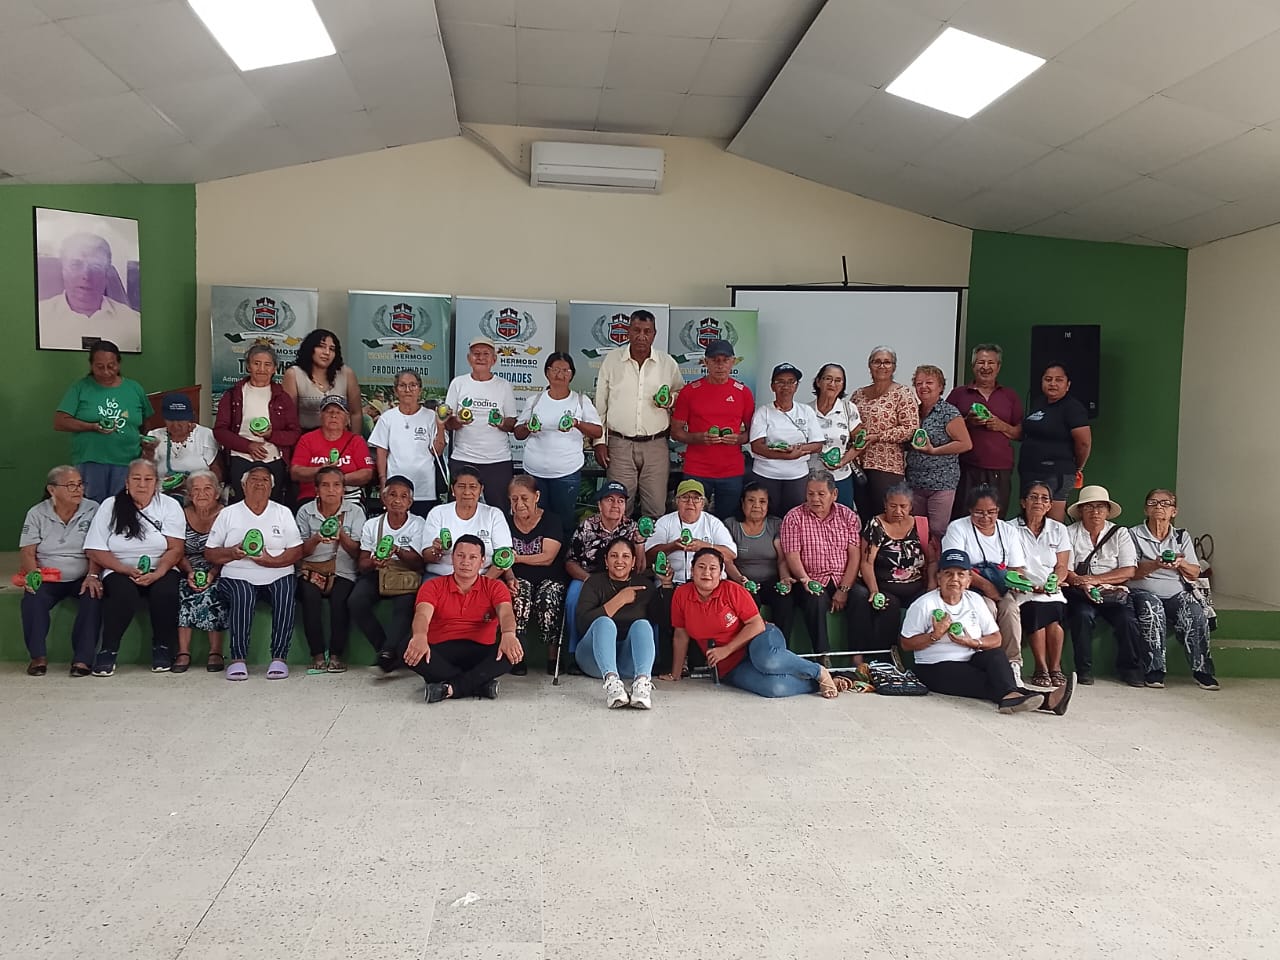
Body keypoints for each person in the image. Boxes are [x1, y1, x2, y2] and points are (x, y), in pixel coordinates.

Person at [900, 549, 1075, 715]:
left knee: (996, 655)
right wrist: (935, 635)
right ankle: (1045, 700)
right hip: (935, 665)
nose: (954, 579)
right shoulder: (924, 604)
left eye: (961, 574)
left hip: (971, 656)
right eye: (948, 573)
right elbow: (906, 643)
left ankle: (1014, 697)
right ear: (939, 578)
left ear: (969, 580)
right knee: (990, 680)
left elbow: (996, 639)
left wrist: (973, 643)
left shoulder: (975, 600)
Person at [660, 548, 849, 699]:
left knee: (768, 661)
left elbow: (756, 625)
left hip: (759, 638)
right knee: (773, 688)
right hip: (730, 665)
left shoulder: (732, 590)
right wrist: (675, 674)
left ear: (721, 573)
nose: (706, 573)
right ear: (692, 570)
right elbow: (681, 635)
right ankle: (819, 684)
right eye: (701, 567)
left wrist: (726, 649)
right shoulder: (681, 594)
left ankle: (818, 671)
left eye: (713, 568)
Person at [83, 458, 184, 676]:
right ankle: (108, 650)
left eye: (148, 479)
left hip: (161, 567)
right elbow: (95, 549)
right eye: (136, 479)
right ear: (127, 482)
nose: (142, 484)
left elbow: (176, 548)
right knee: (123, 593)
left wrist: (158, 573)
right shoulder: (110, 505)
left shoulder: (169, 505)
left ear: (156, 482)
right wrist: (124, 569)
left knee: (166, 592)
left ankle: (162, 647)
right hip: (119, 568)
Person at [204, 464, 303, 680]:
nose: (260, 483)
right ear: (243, 485)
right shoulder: (228, 513)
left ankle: (279, 658)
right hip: (237, 574)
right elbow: (210, 552)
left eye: (265, 480)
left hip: (278, 573)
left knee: (285, 592)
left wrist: (271, 561)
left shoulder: (282, 512)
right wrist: (231, 553)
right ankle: (238, 659)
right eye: (254, 479)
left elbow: (296, 550)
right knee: (243, 594)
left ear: (272, 487)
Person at [402, 535, 523, 703]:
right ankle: (478, 685)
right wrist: (420, 636)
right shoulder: (433, 585)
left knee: (514, 648)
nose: (466, 562)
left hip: (480, 651)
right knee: (406, 646)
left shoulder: (495, 586)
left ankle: (448, 688)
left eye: (473, 557)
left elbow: (506, 613)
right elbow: (422, 614)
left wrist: (509, 634)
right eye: (460, 555)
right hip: (440, 651)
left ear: (482, 561)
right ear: (452, 558)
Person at [592, 310, 684, 518]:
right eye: (636, 330)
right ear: (628, 332)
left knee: (655, 508)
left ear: (654, 334)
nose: (641, 336)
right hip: (619, 444)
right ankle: (620, 541)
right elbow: (600, 405)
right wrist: (599, 442)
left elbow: (682, 396)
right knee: (619, 508)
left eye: (647, 331)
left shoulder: (667, 363)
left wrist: (669, 400)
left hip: (656, 444)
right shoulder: (612, 361)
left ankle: (651, 541)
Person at [1127, 489, 1219, 691]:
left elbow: (1195, 572)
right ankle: (1154, 670)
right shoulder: (1132, 534)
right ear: (1145, 509)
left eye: (1165, 503)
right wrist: (1155, 564)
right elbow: (1129, 571)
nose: (1159, 506)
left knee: (1194, 611)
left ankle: (1203, 671)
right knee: (1152, 609)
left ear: (1174, 512)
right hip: (1143, 591)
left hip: (1176, 593)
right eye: (1153, 502)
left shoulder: (1181, 536)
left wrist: (1180, 563)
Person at [645, 479, 737, 674]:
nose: (690, 503)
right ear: (676, 501)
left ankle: (704, 659)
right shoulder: (665, 522)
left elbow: (731, 554)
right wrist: (672, 546)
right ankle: (671, 662)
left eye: (696, 499)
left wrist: (704, 546)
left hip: (708, 584)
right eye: (685, 498)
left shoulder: (713, 523)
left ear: (703, 503)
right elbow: (648, 555)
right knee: (666, 604)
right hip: (672, 581)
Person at [18, 465, 102, 677]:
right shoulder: (37, 513)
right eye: (71, 485)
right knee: (32, 597)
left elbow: (98, 548)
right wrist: (33, 576)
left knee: (93, 596)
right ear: (52, 489)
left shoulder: (93, 509)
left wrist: (92, 575)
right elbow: (28, 551)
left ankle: (82, 660)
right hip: (48, 575)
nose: (78, 489)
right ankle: (38, 657)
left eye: (80, 484)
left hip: (82, 575)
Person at [941, 484, 1027, 682]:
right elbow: (956, 567)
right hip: (969, 586)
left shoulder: (1008, 530)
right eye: (979, 512)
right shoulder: (958, 528)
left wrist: (1017, 582)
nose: (986, 517)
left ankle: (1013, 663)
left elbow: (1016, 568)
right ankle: (987, 660)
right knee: (987, 607)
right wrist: (987, 587)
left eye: (991, 512)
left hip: (1002, 586)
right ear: (970, 509)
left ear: (999, 510)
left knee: (1010, 608)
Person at [514, 352, 603, 539]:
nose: (560, 374)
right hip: (534, 473)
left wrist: (577, 423)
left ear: (571, 375)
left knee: (564, 521)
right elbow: (518, 433)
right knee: (534, 519)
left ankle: (562, 556)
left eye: (565, 370)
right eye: (555, 369)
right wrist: (528, 427)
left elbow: (597, 431)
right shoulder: (535, 400)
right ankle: (537, 554)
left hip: (566, 474)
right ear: (547, 372)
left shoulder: (580, 401)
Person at [54, 340, 153, 504]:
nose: (106, 372)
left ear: (119, 364)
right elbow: (60, 422)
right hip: (91, 462)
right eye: (100, 367)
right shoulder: (81, 387)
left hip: (128, 461)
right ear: (91, 365)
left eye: (111, 366)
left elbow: (146, 421)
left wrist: (146, 445)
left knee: (123, 507)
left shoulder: (134, 388)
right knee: (92, 508)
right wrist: (91, 426)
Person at [1062, 485, 1142, 687]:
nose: (1095, 512)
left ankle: (1130, 670)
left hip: (1113, 592)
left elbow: (1128, 571)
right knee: (1082, 616)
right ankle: (1084, 670)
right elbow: (1066, 570)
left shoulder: (1120, 533)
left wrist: (1095, 580)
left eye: (1100, 507)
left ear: (1107, 511)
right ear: (1080, 511)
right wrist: (1083, 584)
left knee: (1127, 620)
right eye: (1089, 507)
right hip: (1081, 593)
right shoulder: (1069, 533)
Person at [575, 536, 669, 708]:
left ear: (633, 562)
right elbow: (582, 624)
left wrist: (666, 584)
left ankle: (641, 684)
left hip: (627, 662)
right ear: (606, 560)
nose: (619, 561)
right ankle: (612, 684)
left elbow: (663, 620)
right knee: (604, 623)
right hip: (593, 659)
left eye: (625, 556)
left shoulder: (644, 585)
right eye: (614, 556)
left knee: (642, 625)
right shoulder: (594, 583)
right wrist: (619, 600)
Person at [778, 470, 861, 659]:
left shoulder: (847, 515)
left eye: (821, 494)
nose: (815, 499)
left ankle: (858, 657)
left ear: (834, 494)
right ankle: (823, 656)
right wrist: (805, 580)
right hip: (811, 579)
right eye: (810, 494)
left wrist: (844, 589)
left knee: (861, 596)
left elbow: (854, 556)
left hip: (842, 578)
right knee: (815, 599)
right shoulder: (794, 517)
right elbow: (792, 555)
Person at [848, 482, 933, 663]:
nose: (898, 511)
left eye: (903, 506)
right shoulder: (876, 525)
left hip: (916, 585)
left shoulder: (921, 525)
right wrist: (874, 591)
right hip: (886, 586)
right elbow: (867, 563)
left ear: (911, 507)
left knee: (929, 605)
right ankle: (884, 658)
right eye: (893, 506)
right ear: (885, 505)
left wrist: (932, 587)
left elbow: (932, 560)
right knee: (889, 606)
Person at [562, 481, 645, 666]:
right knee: (573, 598)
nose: (615, 505)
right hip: (587, 576)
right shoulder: (586, 526)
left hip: (621, 579)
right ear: (599, 505)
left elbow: (639, 568)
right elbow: (570, 561)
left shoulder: (632, 527)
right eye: (610, 500)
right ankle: (574, 650)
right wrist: (590, 581)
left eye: (620, 501)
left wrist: (640, 544)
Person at [670, 339, 753, 519]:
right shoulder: (690, 392)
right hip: (697, 469)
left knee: (727, 521)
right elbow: (675, 431)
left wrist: (738, 439)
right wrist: (697, 438)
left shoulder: (743, 392)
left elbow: (751, 433)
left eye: (725, 360)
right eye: (715, 360)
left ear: (733, 362)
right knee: (691, 520)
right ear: (705, 362)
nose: (720, 365)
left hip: (731, 470)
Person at [352, 476, 426, 674]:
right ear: (383, 498)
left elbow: (419, 563)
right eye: (392, 495)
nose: (397, 500)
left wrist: (398, 551)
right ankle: (386, 650)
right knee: (356, 601)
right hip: (378, 571)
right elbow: (362, 563)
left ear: (410, 502)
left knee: (405, 604)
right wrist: (374, 562)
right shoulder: (372, 524)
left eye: (403, 496)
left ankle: (388, 653)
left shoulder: (418, 523)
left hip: (406, 572)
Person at [295, 466, 366, 673]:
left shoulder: (355, 511)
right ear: (316, 490)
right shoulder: (305, 511)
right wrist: (317, 538)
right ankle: (317, 655)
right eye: (325, 485)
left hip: (343, 570)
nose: (331, 490)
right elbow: (299, 552)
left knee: (340, 600)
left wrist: (340, 534)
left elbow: (357, 552)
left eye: (336, 485)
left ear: (344, 489)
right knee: (309, 598)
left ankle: (336, 656)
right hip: (310, 569)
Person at [213, 344, 301, 503]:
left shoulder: (282, 397)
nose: (262, 369)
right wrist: (248, 446)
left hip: (273, 459)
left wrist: (271, 435)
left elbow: (294, 434)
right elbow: (220, 431)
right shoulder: (233, 395)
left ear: (274, 369)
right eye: (256, 363)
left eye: (267, 364)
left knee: (272, 506)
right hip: (240, 458)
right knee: (241, 504)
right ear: (248, 366)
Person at [947, 343, 1023, 518]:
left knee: (995, 518)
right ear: (973, 366)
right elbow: (944, 429)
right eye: (981, 362)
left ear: (998, 367)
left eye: (991, 363)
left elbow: (1020, 434)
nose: (985, 367)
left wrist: (1002, 426)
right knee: (963, 517)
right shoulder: (959, 394)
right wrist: (967, 422)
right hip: (966, 468)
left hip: (1000, 468)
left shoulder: (1009, 395)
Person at [442, 336, 517, 507]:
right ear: (469, 358)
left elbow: (511, 423)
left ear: (494, 359)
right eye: (476, 354)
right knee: (460, 508)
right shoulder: (458, 383)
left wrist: (501, 423)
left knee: (499, 510)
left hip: (497, 461)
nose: (480, 358)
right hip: (463, 458)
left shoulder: (503, 385)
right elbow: (447, 423)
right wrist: (458, 421)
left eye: (485, 354)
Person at [1011, 481, 1071, 688]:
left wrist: (1055, 582)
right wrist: (1032, 586)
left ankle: (1055, 668)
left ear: (1050, 505)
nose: (1039, 501)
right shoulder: (1010, 528)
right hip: (1023, 589)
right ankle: (1041, 667)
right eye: (1033, 497)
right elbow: (1013, 568)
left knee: (1054, 618)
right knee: (1036, 611)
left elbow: (1062, 566)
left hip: (1052, 590)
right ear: (1023, 502)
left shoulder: (1059, 529)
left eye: (1044, 498)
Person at [506, 475, 567, 676]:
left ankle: (552, 657)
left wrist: (517, 558)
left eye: (524, 498)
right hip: (518, 577)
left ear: (537, 496)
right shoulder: (505, 522)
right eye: (514, 499)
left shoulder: (551, 520)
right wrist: (509, 574)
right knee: (518, 593)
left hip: (550, 577)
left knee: (548, 597)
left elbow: (547, 557)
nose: (519, 504)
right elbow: (501, 556)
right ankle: (518, 656)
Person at [38, 232, 141, 352]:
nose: (86, 276)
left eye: (95, 267)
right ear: (63, 270)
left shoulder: (133, 322)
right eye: (76, 265)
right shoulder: (40, 317)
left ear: (106, 274)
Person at [747, 362, 825, 514]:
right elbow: (757, 446)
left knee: (794, 516)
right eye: (780, 382)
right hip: (766, 474)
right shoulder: (763, 412)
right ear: (772, 386)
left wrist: (797, 450)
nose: (786, 386)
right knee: (766, 515)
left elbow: (817, 444)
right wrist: (787, 456)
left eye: (791, 382)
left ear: (796, 386)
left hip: (797, 476)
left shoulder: (806, 411)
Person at [850, 346, 919, 515]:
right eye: (877, 362)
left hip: (887, 466)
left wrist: (878, 436)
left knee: (884, 515)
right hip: (858, 463)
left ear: (894, 367)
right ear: (869, 365)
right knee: (863, 514)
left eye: (887, 362)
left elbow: (910, 429)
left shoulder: (902, 393)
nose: (882, 366)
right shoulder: (858, 394)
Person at [368, 369, 446, 517]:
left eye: (413, 385)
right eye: (402, 385)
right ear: (396, 390)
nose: (408, 390)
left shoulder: (431, 417)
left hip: (424, 488)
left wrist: (441, 426)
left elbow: (438, 451)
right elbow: (381, 453)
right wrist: (383, 481)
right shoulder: (387, 418)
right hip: (395, 490)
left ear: (420, 389)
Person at [906, 364, 970, 544]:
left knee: (937, 531)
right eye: (919, 383)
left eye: (929, 382)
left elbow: (965, 444)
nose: (923, 387)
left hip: (941, 483)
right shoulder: (913, 412)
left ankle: (936, 563)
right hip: (915, 482)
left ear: (941, 387)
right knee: (917, 532)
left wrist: (934, 451)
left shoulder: (949, 412)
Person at [1020, 363, 1091, 523]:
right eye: (1048, 379)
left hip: (1056, 472)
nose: (1052, 383)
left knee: (1052, 525)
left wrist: (1077, 467)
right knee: (1030, 521)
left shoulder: (1072, 408)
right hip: (1030, 471)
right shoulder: (1038, 403)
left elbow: (1084, 443)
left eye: (1058, 380)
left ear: (1068, 384)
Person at [723, 482, 794, 637]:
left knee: (785, 599)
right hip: (742, 582)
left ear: (768, 505)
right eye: (751, 500)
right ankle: (750, 646)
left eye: (762, 501)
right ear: (742, 503)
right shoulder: (730, 525)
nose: (756, 506)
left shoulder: (776, 524)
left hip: (771, 581)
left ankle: (782, 645)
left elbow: (782, 559)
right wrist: (741, 580)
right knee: (748, 599)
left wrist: (784, 579)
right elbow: (727, 561)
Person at [176, 470, 228, 674]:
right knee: (182, 589)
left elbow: (228, 551)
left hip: (219, 568)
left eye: (207, 488)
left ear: (217, 493)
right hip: (187, 568)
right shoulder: (180, 514)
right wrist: (190, 572)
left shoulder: (227, 514)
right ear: (189, 494)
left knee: (214, 591)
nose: (202, 494)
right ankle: (183, 652)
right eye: (196, 490)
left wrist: (212, 574)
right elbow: (176, 549)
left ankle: (215, 651)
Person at [419, 467, 514, 579]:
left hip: (484, 576)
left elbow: (503, 557)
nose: (467, 492)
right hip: (441, 576)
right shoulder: (438, 513)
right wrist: (436, 550)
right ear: (453, 489)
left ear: (481, 490)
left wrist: (480, 584)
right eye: (461, 486)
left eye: (473, 487)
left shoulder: (494, 514)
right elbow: (427, 557)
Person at [290, 395, 375, 505]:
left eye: (339, 412)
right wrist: (321, 471)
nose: (334, 415)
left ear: (347, 418)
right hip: (312, 497)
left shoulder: (356, 441)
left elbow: (367, 473)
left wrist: (336, 480)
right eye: (329, 412)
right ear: (321, 416)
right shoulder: (307, 439)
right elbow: (295, 472)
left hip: (348, 497)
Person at [143, 392, 221, 500]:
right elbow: (146, 470)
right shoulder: (154, 436)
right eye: (170, 420)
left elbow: (217, 472)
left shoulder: (205, 435)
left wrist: (193, 483)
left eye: (180, 420)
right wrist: (149, 452)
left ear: (190, 418)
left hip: (197, 495)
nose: (175, 425)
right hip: (162, 494)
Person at [284, 328, 363, 433]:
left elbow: (356, 413)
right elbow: (289, 416)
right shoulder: (294, 374)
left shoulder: (346, 373)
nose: (327, 352)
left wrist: (354, 440)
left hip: (340, 436)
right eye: (321, 346)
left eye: (332, 349)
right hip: (305, 437)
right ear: (310, 348)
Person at [810, 363, 862, 508]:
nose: (832, 384)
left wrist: (843, 461)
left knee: (842, 518)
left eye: (838, 380)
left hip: (840, 477)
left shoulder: (848, 409)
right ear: (818, 382)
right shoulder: (806, 410)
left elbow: (861, 441)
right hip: (811, 479)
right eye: (828, 378)